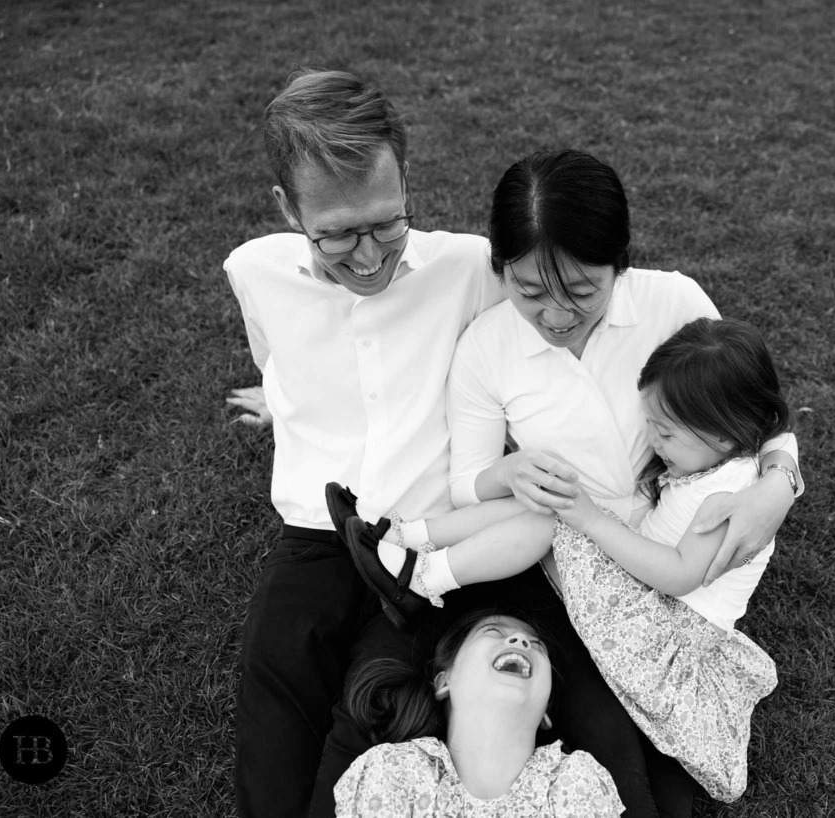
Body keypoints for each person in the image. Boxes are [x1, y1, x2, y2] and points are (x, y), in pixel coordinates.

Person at [321, 149, 806, 815]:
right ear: (501, 272)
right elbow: (469, 482)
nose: (554, 315)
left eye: (581, 291)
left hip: (642, 563)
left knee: (632, 766)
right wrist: (505, 472)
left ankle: (413, 561)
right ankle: (403, 550)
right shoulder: (488, 349)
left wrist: (778, 487)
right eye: (528, 291)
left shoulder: (675, 303)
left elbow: (754, 410)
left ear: (621, 265)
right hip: (562, 562)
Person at [337, 317, 786, 801]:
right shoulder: (718, 461)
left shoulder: (730, 491)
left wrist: (592, 521)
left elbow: (679, 575)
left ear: (723, 436)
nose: (654, 442)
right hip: (646, 605)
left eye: (665, 433)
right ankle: (401, 536)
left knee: (555, 520)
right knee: (544, 500)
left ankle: (422, 578)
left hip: (664, 632)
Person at [223, 68, 503, 818]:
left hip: (426, 544)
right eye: (339, 234)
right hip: (314, 534)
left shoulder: (472, 269)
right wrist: (281, 400)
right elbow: (277, 356)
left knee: (382, 714)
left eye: (386, 223)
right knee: (275, 691)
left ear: (407, 178)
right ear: (286, 206)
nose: (370, 256)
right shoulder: (253, 272)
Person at [334, 610, 624, 816]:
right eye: (493, 632)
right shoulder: (393, 771)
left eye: (537, 646)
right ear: (445, 681)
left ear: (546, 711)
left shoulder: (575, 781)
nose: (521, 641)